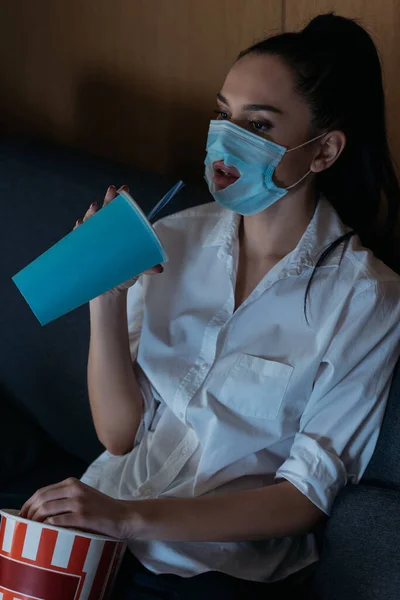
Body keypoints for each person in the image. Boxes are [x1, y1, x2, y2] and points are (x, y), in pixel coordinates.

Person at [21, 13, 400, 599]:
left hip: (218, 568)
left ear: (324, 150)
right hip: (101, 524)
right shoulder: (171, 238)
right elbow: (119, 436)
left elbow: (303, 499)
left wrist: (130, 519)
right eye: (223, 115)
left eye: (258, 124)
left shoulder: (364, 299)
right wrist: (105, 297)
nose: (227, 140)